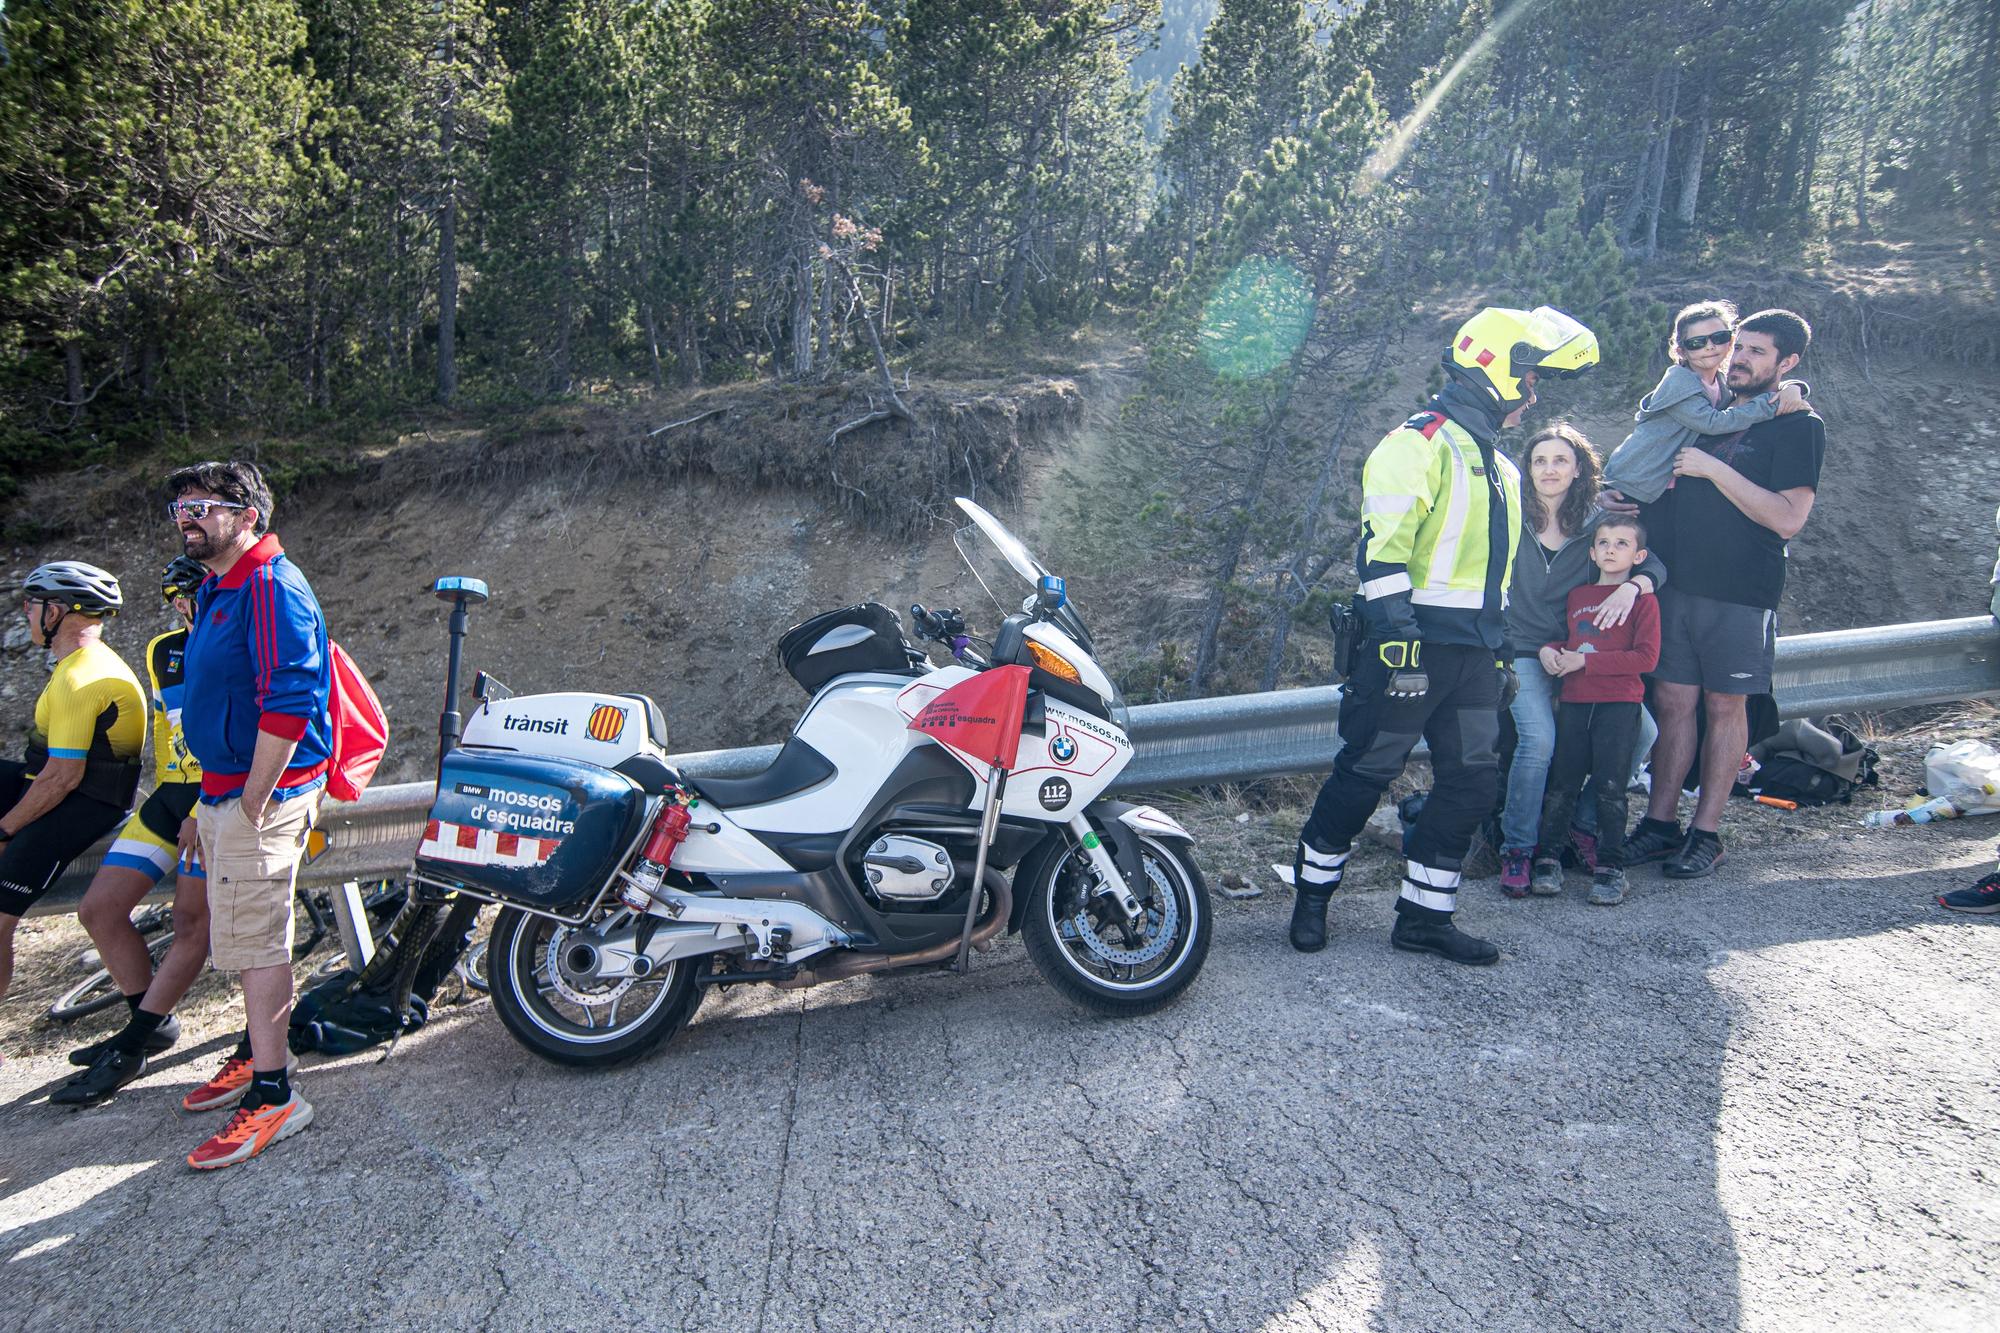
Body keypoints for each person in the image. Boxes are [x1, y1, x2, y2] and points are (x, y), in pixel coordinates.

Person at [1290, 305, 1599, 965]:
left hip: (1476, 654)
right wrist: (1397, 638)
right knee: (1367, 772)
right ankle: (1312, 896)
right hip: (1410, 647)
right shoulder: (1419, 441)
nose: (1534, 391)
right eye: (1529, 375)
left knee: (1472, 783)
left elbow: (1498, 576)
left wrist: (1501, 648)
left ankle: (1425, 917)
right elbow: (1381, 554)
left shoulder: (1504, 467)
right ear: (1494, 367)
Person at [168, 460, 331, 1169]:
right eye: (178, 509)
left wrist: (251, 802)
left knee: (258, 937)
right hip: (225, 791)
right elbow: (216, 699)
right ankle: (258, 1051)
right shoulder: (217, 587)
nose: (186, 518)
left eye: (202, 506)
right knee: (239, 933)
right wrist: (208, 800)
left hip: (262, 795)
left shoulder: (270, 584)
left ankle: (274, 1093)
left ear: (247, 514)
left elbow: (290, 702)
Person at [1624, 309, 1824, 878]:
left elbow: (1788, 518)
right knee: (1672, 704)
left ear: (1786, 363)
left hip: (1740, 593)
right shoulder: (1702, 411)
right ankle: (1660, 824)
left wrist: (1714, 470)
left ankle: (1706, 833)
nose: (1739, 358)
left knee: (1724, 706)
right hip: (1672, 585)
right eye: (1739, 347)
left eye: (1757, 352)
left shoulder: (1798, 426)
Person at [53, 557, 214, 1106]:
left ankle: (134, 1043)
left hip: (211, 802)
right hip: (171, 797)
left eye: (193, 594)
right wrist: (169, 797)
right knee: (98, 908)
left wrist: (204, 803)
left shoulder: (236, 645)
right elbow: (171, 736)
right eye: (176, 599)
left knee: (192, 922)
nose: (184, 607)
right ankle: (151, 1018)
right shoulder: (161, 650)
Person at [1497, 425, 1666, 896]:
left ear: (1577, 470)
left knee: (1646, 733)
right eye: (1539, 460)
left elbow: (1654, 565)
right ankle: (1519, 849)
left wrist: (1634, 586)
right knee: (1539, 742)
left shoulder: (1594, 525)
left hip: (1578, 654)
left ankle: (1581, 821)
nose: (1549, 470)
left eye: (1560, 461)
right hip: (1524, 650)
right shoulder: (1508, 516)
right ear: (1527, 469)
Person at [0, 564, 144, 1005]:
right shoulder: (79, 664)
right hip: (60, 783)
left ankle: (150, 1022)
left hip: (81, 802)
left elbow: (62, 778)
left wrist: (5, 830)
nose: (25, 614)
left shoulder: (82, 679)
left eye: (31, 606)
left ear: (56, 611)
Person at [1528, 516, 1661, 906]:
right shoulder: (1577, 596)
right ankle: (1548, 860)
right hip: (1574, 703)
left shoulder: (1644, 602)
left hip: (1619, 705)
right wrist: (1549, 651)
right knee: (1562, 786)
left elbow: (1646, 658)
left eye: (1621, 544)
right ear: (1591, 551)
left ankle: (1611, 868)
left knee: (1610, 787)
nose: (1610, 550)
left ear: (1638, 555)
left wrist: (1587, 664)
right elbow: (1569, 640)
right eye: (1603, 542)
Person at [1601, 299, 1807, 505]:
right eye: (1697, 343)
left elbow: (1763, 383)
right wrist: (1772, 404)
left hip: (1662, 488)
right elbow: (1713, 423)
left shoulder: (1722, 382)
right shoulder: (1678, 383)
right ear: (1681, 351)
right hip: (1631, 483)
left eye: (1718, 338)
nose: (1709, 347)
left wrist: (1792, 388)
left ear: (1730, 342)